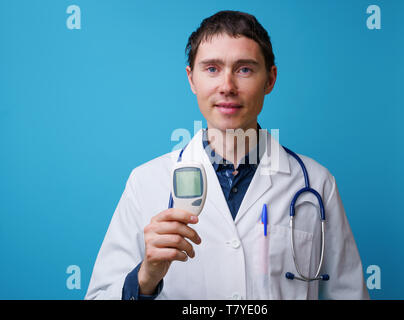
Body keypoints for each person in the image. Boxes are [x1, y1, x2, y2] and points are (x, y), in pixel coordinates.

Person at [85, 10, 369, 300]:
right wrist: (146, 276)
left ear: (270, 80)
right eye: (212, 69)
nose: (227, 87)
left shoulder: (316, 184)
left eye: (244, 69)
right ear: (191, 79)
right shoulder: (146, 183)